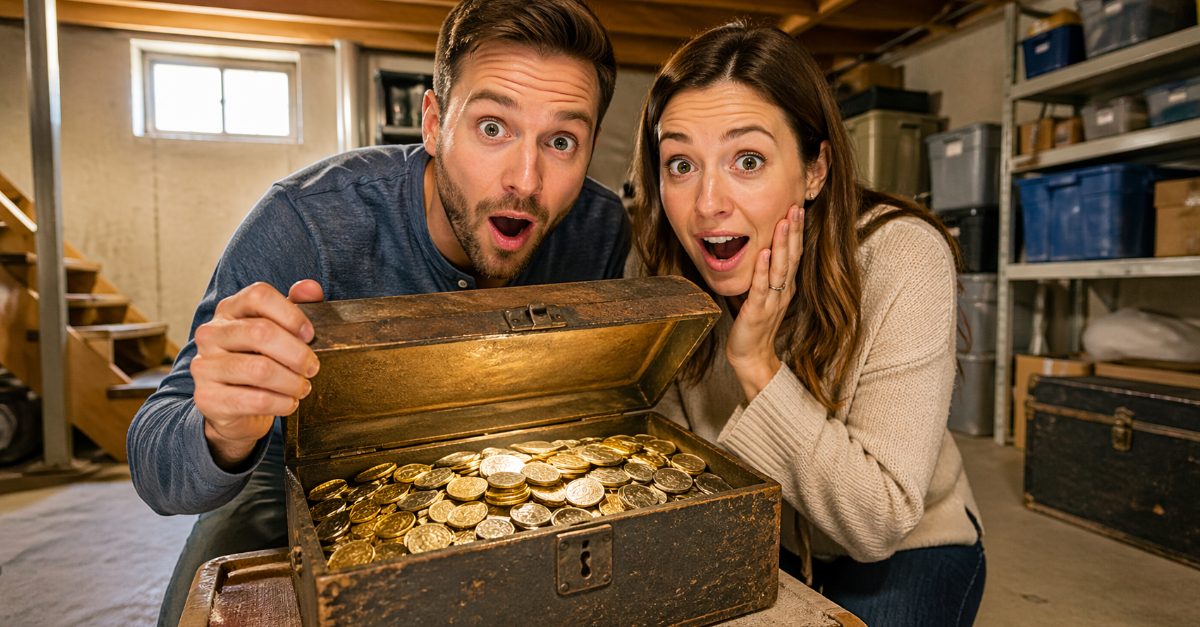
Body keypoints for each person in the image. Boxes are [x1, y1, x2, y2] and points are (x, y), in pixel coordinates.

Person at [127, 1, 627, 625]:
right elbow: (153, 463)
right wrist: (223, 432)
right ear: (434, 122)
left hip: (499, 452)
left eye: (561, 141)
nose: (524, 180)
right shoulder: (306, 221)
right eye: (492, 127)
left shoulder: (601, 228)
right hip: (290, 465)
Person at [628, 24, 986, 627]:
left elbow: (878, 523)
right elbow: (673, 463)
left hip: (909, 548)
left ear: (815, 169)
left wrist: (757, 365)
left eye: (747, 160)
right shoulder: (661, 265)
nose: (708, 202)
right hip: (762, 536)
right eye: (681, 163)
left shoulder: (902, 256)